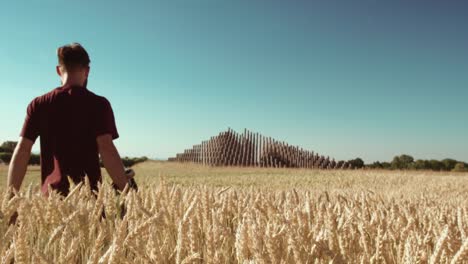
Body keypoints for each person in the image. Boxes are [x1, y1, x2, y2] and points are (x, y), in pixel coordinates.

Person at [7, 43, 134, 196]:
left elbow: (22, 150)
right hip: (90, 201)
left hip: (51, 203)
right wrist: (126, 190)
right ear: (87, 71)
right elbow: (106, 148)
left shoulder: (39, 104)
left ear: (58, 70)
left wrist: (10, 199)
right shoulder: (99, 105)